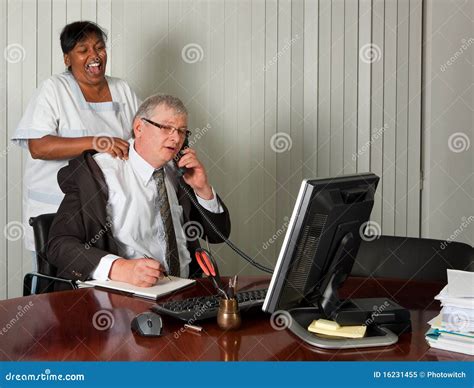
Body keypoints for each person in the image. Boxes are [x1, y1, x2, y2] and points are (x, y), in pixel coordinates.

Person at [47, 95, 231, 286]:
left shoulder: (179, 172)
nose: (176, 138)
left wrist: (202, 188)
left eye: (182, 131)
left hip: (185, 288)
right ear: (139, 128)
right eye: (166, 127)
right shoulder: (98, 173)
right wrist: (119, 268)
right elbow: (59, 245)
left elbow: (217, 235)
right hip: (124, 298)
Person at [11, 21, 140, 254]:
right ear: (67, 59)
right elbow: (38, 147)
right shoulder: (53, 89)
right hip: (56, 208)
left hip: (109, 210)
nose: (95, 56)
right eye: (83, 50)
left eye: (99, 47)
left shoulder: (122, 89)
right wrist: (98, 142)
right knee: (58, 285)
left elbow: (142, 135)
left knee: (108, 280)